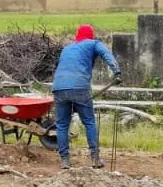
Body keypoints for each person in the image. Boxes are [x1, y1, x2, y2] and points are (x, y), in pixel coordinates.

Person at [49, 24, 120, 170]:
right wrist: (117, 71)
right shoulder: (93, 43)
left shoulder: (67, 48)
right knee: (89, 122)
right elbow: (106, 54)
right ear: (91, 35)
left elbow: (60, 66)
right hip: (80, 87)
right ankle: (95, 158)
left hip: (59, 87)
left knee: (62, 125)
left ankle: (65, 161)